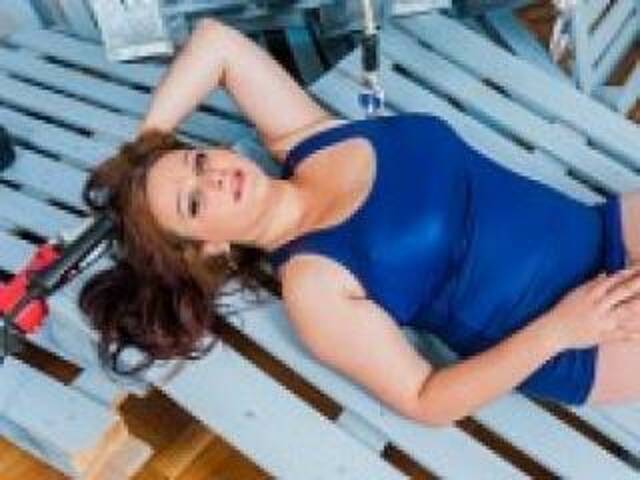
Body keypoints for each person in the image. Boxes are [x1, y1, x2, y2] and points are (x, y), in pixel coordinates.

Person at [81, 18, 640, 427]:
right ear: (209, 247)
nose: (216, 178)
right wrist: (562, 330)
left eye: (199, 161)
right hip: (582, 336)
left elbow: (215, 42)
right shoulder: (313, 286)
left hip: (600, 230)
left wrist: (141, 154)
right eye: (194, 204)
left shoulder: (307, 138)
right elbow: (425, 399)